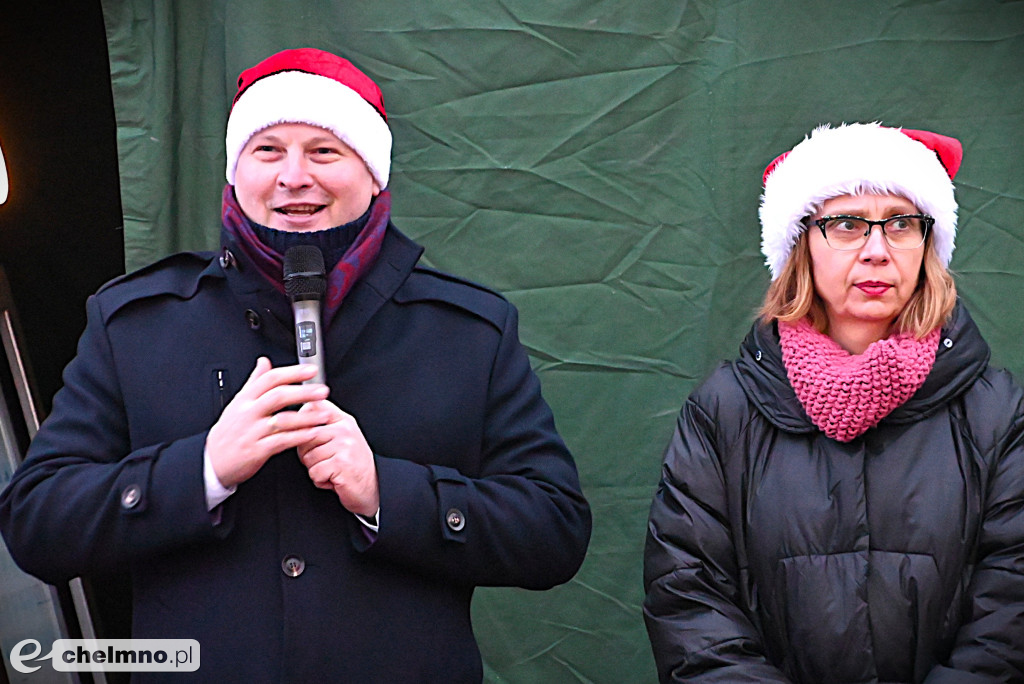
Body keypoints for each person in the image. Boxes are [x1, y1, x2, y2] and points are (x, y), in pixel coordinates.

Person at [0, 48, 591, 682]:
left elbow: (553, 531)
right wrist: (201, 470)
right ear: (235, 171)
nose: (294, 176)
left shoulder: (468, 332)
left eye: (324, 151)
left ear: (372, 173)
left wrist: (386, 493)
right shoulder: (137, 325)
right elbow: (38, 522)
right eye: (268, 150)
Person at [643, 122, 1024, 682]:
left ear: (928, 244)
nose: (877, 250)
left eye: (901, 224)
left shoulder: (996, 411)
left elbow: (1011, 602)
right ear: (801, 246)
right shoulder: (725, 410)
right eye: (846, 224)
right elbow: (688, 595)